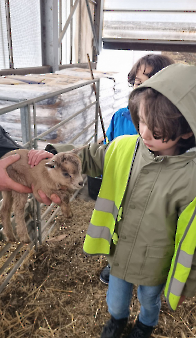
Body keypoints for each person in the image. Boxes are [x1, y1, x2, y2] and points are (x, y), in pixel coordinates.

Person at [30, 63, 196, 338]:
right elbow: (91, 156)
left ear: (186, 132)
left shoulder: (190, 177)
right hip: (118, 251)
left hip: (156, 260)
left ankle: (145, 325)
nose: (143, 134)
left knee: (149, 299)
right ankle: (118, 319)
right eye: (140, 122)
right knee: (116, 299)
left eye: (155, 130)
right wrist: (54, 153)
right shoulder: (125, 148)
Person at [100, 53, 174, 285]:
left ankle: (149, 271)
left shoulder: (173, 123)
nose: (140, 89)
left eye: (150, 83)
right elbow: (107, 148)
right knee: (119, 228)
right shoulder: (120, 117)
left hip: (154, 191)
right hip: (123, 187)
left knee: (149, 233)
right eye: (137, 83)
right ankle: (115, 265)